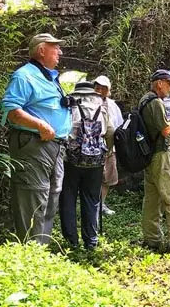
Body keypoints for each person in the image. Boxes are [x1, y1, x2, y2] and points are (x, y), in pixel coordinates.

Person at [0, 33, 72, 244]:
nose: (60, 51)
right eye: (55, 47)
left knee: (51, 197)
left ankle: (40, 251)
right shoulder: (24, 76)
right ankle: (31, 253)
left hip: (55, 147)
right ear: (41, 50)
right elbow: (11, 109)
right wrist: (40, 124)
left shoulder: (50, 77)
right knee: (33, 196)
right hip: (34, 144)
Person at [59, 81, 113, 249]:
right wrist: (108, 151)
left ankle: (71, 241)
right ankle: (91, 240)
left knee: (68, 198)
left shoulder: (69, 104)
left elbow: (62, 129)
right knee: (91, 199)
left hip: (72, 159)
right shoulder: (101, 105)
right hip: (95, 160)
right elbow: (110, 131)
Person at [140, 69, 170, 255]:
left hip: (150, 155)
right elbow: (166, 130)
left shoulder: (144, 100)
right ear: (159, 83)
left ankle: (151, 238)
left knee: (151, 198)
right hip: (163, 154)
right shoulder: (155, 102)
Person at [93, 75, 124, 216]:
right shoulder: (88, 102)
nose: (99, 90)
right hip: (92, 146)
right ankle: (92, 205)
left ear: (108, 90)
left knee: (107, 178)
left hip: (109, 148)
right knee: (93, 177)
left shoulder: (112, 105)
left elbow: (119, 125)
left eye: (103, 88)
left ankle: (101, 204)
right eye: (97, 87)